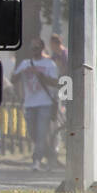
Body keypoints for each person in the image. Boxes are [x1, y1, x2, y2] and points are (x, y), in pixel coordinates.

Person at [12, 39, 60, 171]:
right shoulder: (25, 63)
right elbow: (13, 79)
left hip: (45, 103)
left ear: (42, 49)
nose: (34, 50)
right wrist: (22, 71)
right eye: (32, 48)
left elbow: (55, 82)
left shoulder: (49, 64)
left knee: (41, 133)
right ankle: (50, 154)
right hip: (29, 103)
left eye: (37, 48)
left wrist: (40, 75)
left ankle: (36, 160)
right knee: (32, 133)